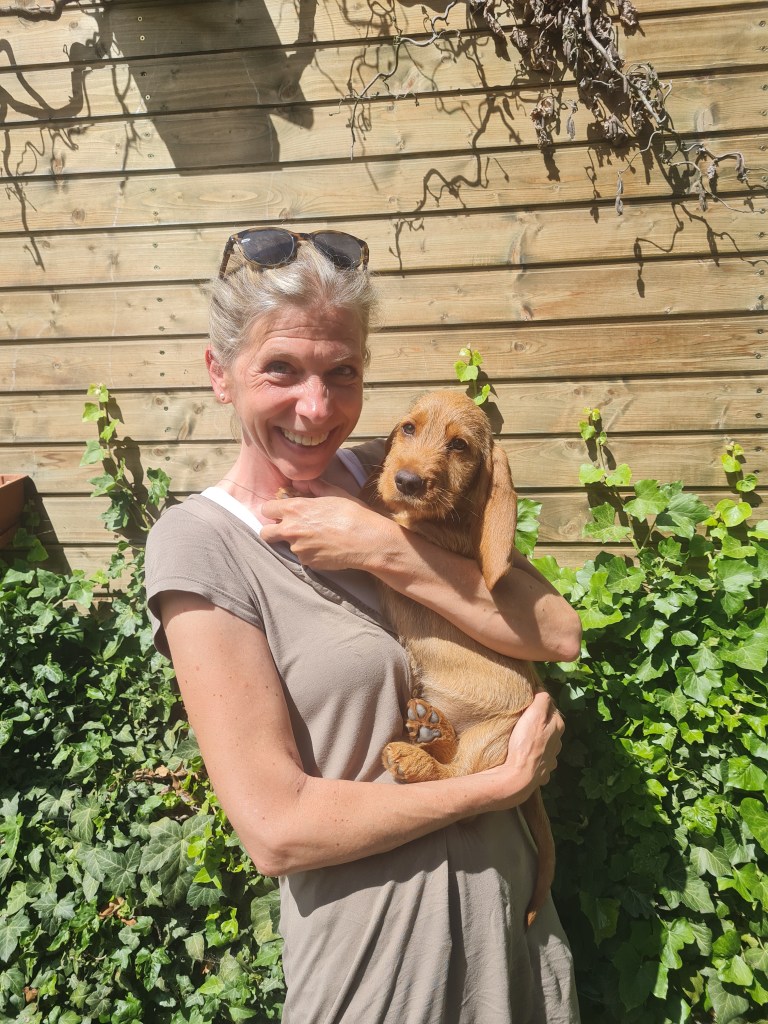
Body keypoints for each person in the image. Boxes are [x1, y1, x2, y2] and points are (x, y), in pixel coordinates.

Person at [145, 226, 583, 1024]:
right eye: (281, 369)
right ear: (220, 374)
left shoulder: (394, 475)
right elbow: (276, 831)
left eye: (341, 372)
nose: (316, 408)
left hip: (513, 925)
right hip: (382, 965)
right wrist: (496, 785)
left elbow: (556, 633)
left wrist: (384, 545)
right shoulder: (200, 544)